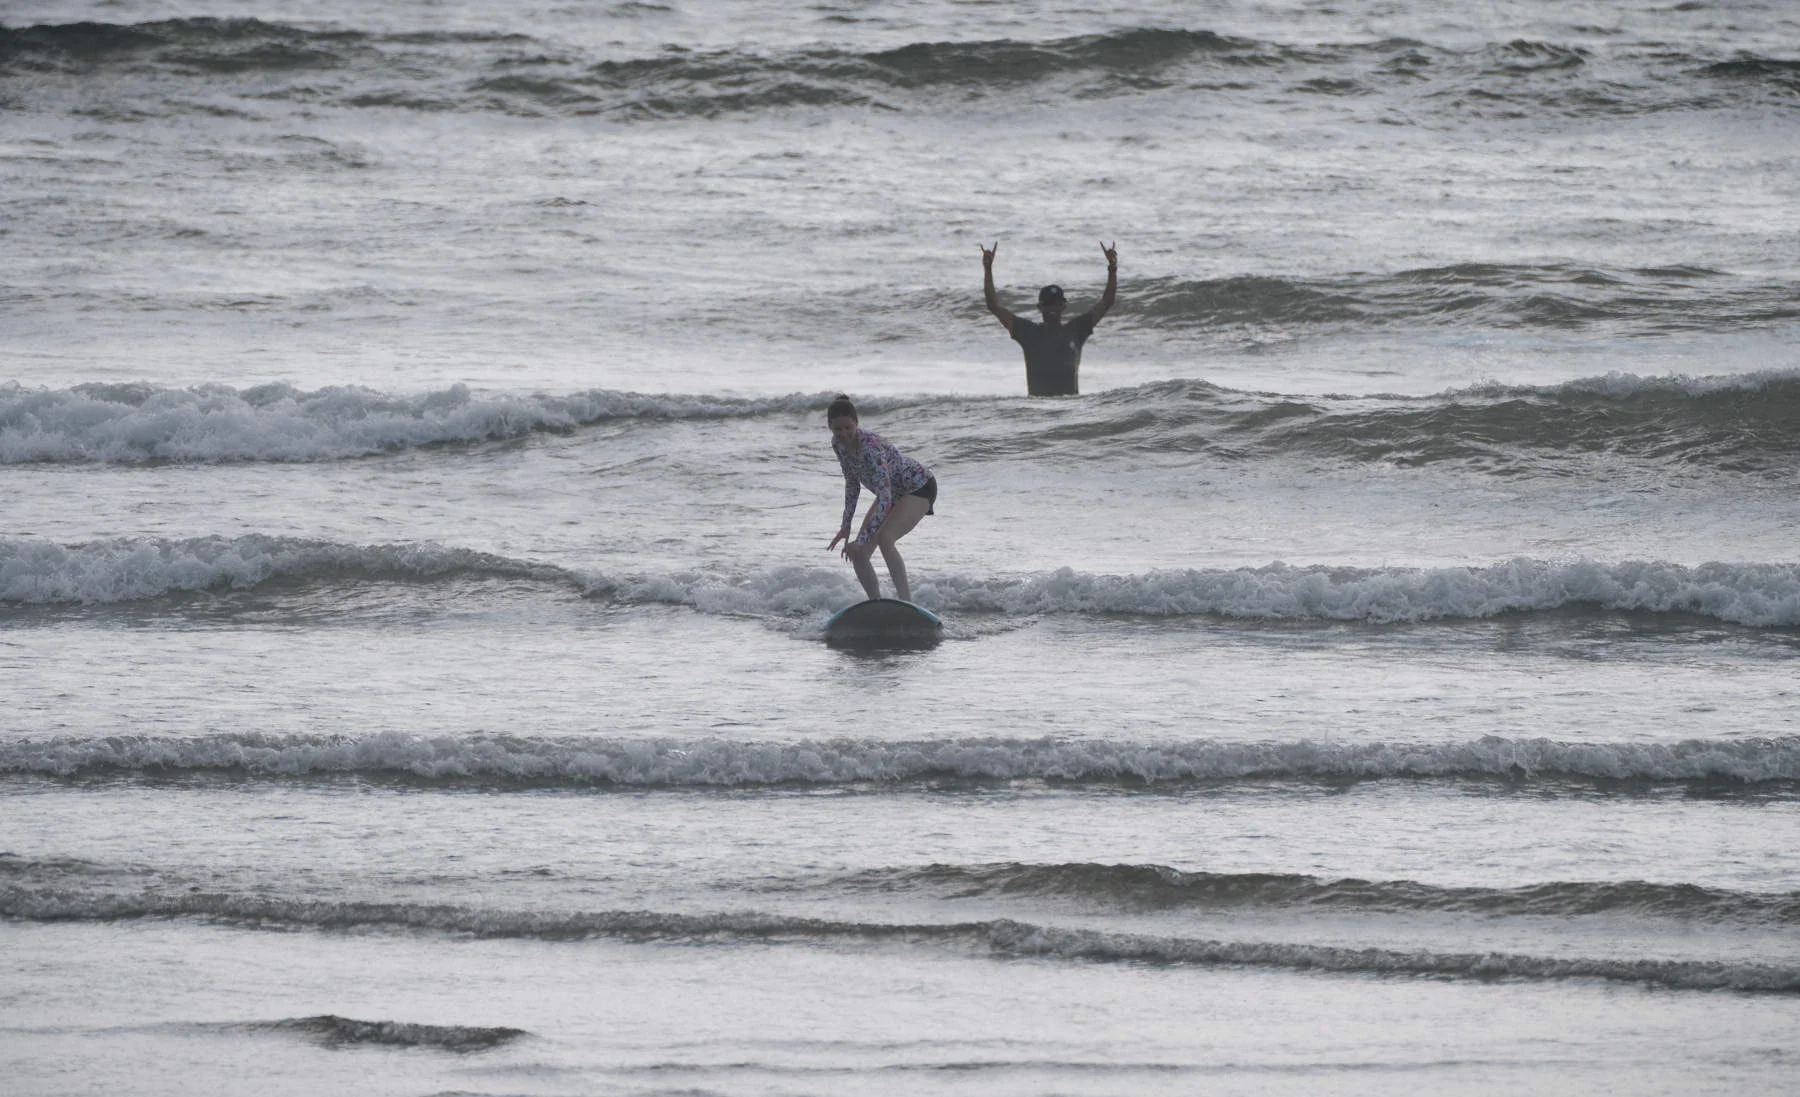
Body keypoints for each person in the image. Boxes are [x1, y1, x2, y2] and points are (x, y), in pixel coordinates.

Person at [825, 393, 936, 604]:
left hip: (919, 487)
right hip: (892, 493)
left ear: (856, 423)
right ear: (830, 426)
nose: (844, 434)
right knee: (859, 554)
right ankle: (875, 604)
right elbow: (852, 484)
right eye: (838, 429)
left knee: (885, 538)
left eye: (848, 428)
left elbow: (884, 498)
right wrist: (845, 526)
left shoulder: (871, 448)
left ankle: (906, 604)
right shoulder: (838, 445)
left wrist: (863, 539)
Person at [981, 240, 1118, 395]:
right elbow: (993, 306)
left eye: (1057, 305)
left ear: (1063, 307)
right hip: (1039, 413)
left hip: (1071, 411)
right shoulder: (1028, 332)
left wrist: (1112, 268)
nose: (1052, 309)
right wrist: (988, 269)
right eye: (1048, 305)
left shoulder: (1077, 330)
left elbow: (1107, 301)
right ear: (1040, 308)